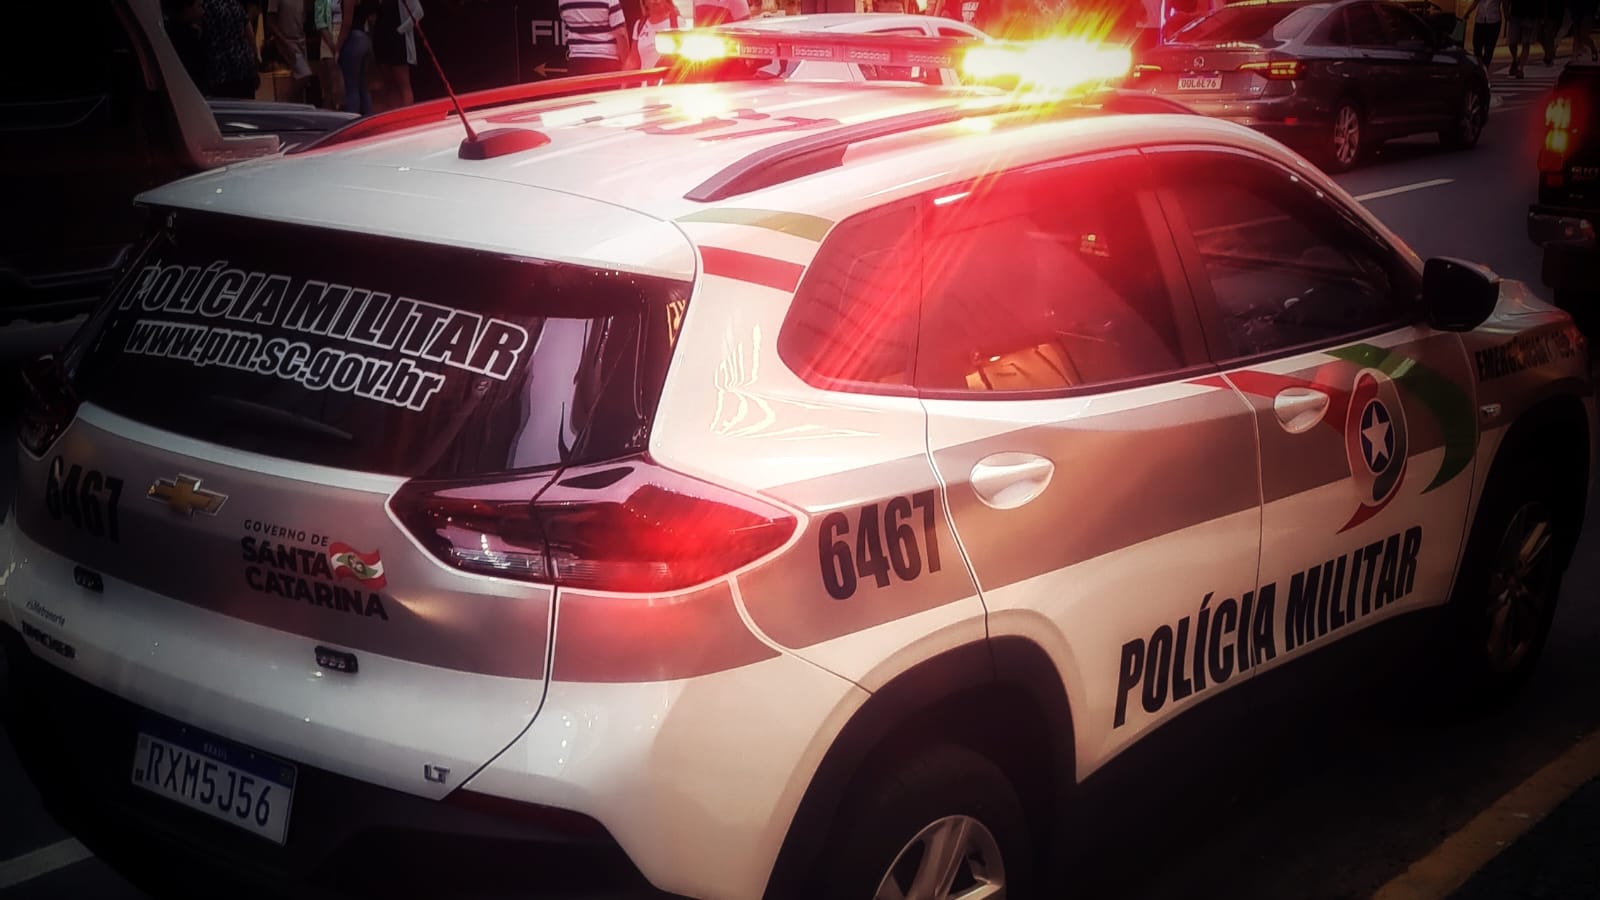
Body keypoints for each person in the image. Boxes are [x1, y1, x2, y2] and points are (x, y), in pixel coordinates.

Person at [201, 0, 260, 98]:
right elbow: (250, 37)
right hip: (244, 68)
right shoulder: (234, 4)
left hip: (220, 72)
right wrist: (255, 67)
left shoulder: (204, 7)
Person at [561, 0, 631, 74]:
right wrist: (626, 65)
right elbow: (621, 34)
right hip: (606, 61)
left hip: (576, 61)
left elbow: (566, 22)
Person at [338, 0, 377, 114]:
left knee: (351, 88)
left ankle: (352, 119)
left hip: (353, 40)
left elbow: (347, 24)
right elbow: (372, 20)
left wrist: (338, 47)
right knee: (362, 86)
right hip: (365, 38)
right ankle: (368, 118)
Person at [166, 0, 210, 93]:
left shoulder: (172, 29)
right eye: (199, 6)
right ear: (187, 8)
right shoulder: (184, 35)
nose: (203, 11)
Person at [626, 0, 682, 68]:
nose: (655, 1)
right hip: (646, 74)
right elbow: (633, 60)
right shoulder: (639, 25)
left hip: (667, 74)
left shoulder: (677, 22)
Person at [1463, 0, 1504, 68]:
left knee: (1489, 47)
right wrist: (1467, 13)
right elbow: (1475, 2)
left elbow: (1505, 3)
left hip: (1494, 21)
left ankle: (1484, 67)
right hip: (1480, 20)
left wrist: (1506, 14)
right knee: (1476, 45)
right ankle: (1480, 66)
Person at [1506, 0, 1540, 76]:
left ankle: (1520, 69)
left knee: (1526, 42)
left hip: (1530, 15)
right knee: (1512, 42)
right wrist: (1506, 10)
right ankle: (1515, 59)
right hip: (1515, 13)